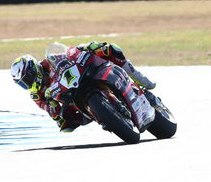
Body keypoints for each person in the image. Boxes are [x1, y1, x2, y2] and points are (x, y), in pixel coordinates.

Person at [10, 41, 156, 132]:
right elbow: (53, 114)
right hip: (72, 101)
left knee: (110, 49)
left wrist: (85, 47)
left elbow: (69, 53)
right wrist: (52, 105)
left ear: (33, 69)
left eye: (27, 79)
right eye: (24, 84)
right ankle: (103, 117)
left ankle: (139, 78)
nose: (28, 84)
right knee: (68, 123)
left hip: (82, 76)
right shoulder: (37, 95)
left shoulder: (49, 62)